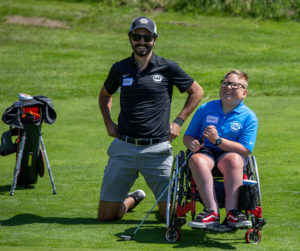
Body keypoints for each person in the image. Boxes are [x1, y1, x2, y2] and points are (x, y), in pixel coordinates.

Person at [98, 16, 204, 221]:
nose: (142, 42)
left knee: (170, 217)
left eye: (147, 38)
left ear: (154, 39)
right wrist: (108, 122)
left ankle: (162, 205)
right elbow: (104, 96)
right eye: (137, 36)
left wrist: (178, 122)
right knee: (105, 216)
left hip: (157, 150)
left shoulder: (167, 67)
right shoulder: (119, 68)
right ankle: (132, 199)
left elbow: (196, 92)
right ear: (130, 38)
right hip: (124, 147)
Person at [183, 70, 258, 229]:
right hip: (206, 152)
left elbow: (245, 149)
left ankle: (232, 212)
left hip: (230, 154)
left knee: (234, 159)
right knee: (196, 159)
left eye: (234, 85)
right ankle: (212, 211)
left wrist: (218, 140)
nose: (228, 87)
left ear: (244, 93)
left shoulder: (249, 116)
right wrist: (192, 144)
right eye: (225, 83)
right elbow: (188, 136)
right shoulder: (205, 108)